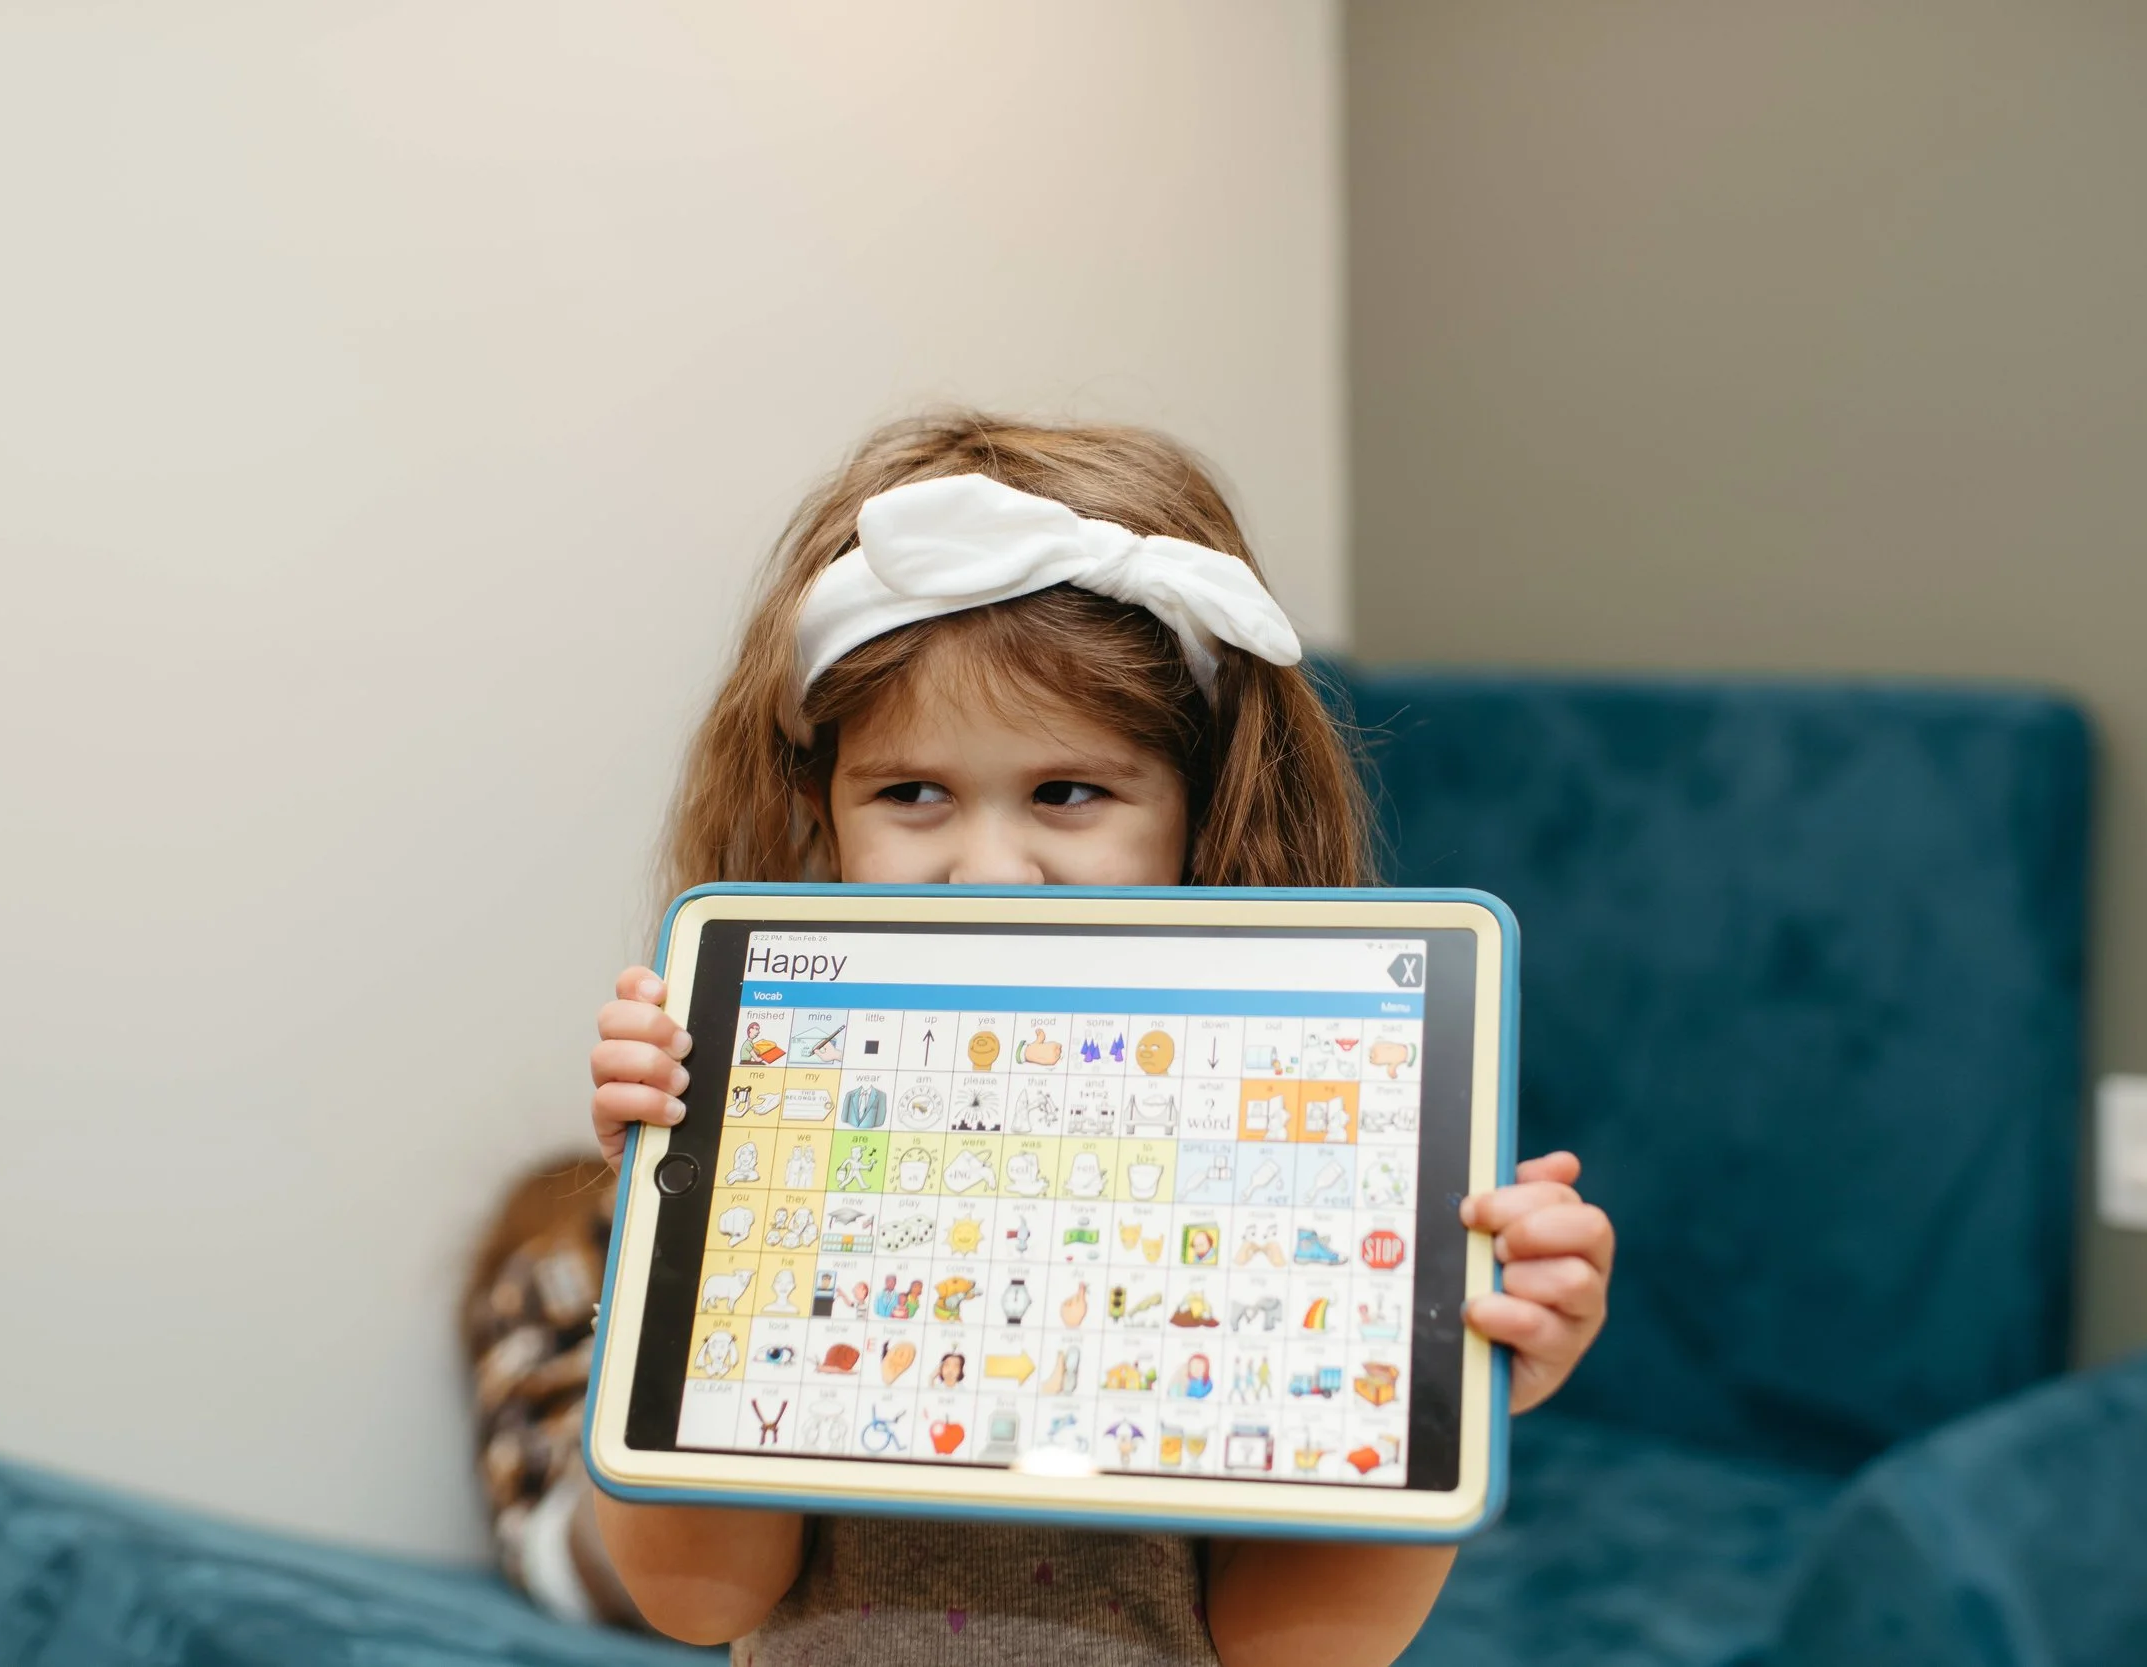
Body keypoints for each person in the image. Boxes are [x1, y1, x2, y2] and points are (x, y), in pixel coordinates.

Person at [586, 413, 1616, 1666]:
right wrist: (667, 1239)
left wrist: (1445, 1380)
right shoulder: (794, 1104)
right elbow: (697, 1596)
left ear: (1202, 802)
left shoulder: (1275, 1139)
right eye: (911, 792)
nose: (988, 871)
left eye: (1067, 792)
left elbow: (1293, 1648)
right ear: (821, 803)